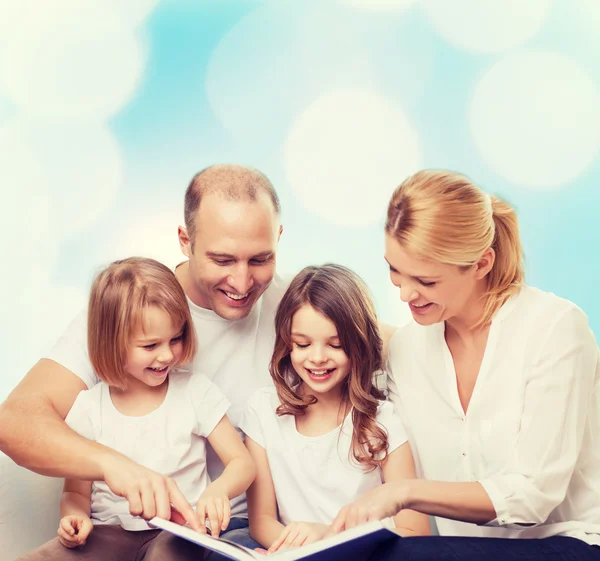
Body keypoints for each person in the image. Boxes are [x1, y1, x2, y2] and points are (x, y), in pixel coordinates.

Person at [0, 165, 287, 551]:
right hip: (115, 528)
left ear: (278, 240)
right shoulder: (126, 309)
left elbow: (375, 335)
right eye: (222, 260)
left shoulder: (298, 308)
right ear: (185, 240)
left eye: (259, 260)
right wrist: (114, 466)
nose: (241, 282)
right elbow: (14, 422)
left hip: (215, 532)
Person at [327, 170, 600, 560]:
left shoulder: (555, 329)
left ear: (481, 263)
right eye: (394, 270)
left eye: (426, 280)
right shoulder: (406, 349)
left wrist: (403, 492)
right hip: (462, 550)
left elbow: (531, 496)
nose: (404, 293)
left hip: (568, 543)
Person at [17, 257, 256, 560]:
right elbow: (76, 491)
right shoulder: (90, 407)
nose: (167, 354)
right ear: (112, 343)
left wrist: (218, 490)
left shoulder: (195, 391)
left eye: (176, 338)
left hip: (180, 532)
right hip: (108, 533)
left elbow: (242, 462)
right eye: (150, 346)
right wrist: (73, 518)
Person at [241, 264, 430, 553]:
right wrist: (289, 551)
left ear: (359, 344)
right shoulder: (263, 410)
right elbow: (262, 520)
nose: (317, 358)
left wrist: (328, 538)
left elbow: (414, 531)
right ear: (287, 343)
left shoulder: (384, 421)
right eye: (302, 344)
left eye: (336, 344)